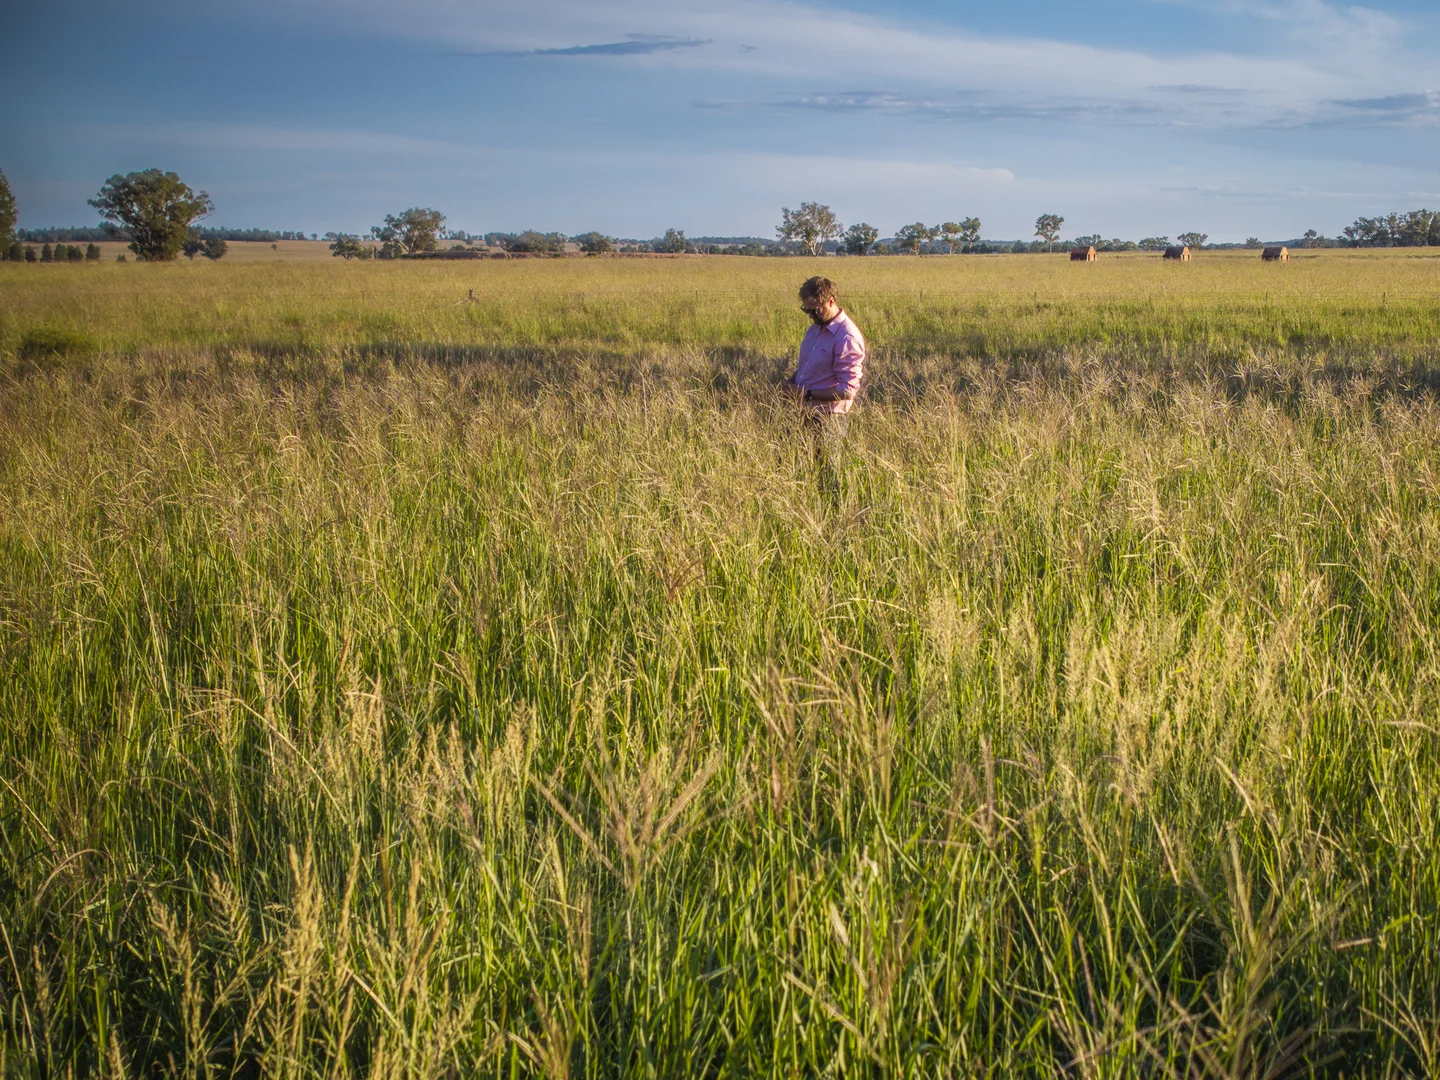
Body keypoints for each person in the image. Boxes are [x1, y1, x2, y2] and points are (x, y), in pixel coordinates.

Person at [784, 276, 866, 490]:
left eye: (815, 310)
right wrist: (792, 381)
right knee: (791, 469)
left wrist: (806, 394)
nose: (811, 316)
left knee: (827, 477)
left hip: (828, 418)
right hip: (801, 411)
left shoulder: (847, 337)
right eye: (806, 310)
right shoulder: (815, 329)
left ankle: (834, 518)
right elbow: (809, 366)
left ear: (830, 301)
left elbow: (847, 391)